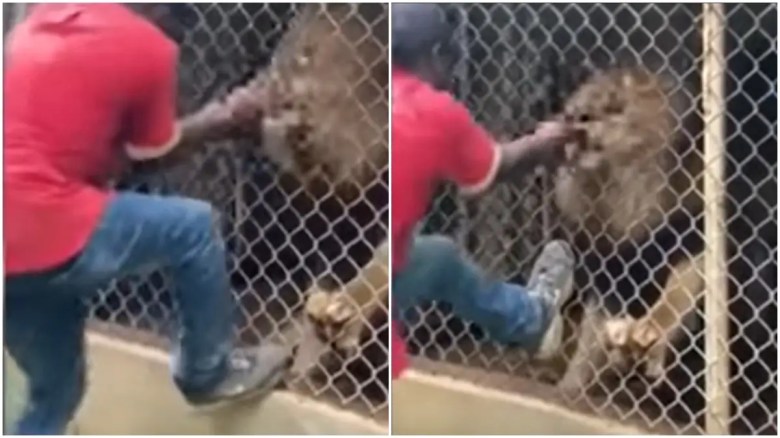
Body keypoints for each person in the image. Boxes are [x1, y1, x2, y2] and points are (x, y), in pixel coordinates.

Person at [4, 4, 290, 434]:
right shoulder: (147, 45)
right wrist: (226, 118)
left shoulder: (44, 17)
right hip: (50, 224)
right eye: (182, 14)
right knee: (193, 228)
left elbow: (108, 158)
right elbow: (152, 157)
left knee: (55, 395)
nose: (183, 26)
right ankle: (207, 372)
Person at [390, 4, 579, 379]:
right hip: (382, 285)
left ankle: (355, 330)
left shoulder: (368, 95)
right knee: (430, 258)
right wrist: (541, 143)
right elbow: (494, 169)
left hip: (352, 266)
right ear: (438, 56)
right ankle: (532, 318)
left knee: (435, 253)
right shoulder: (431, 110)